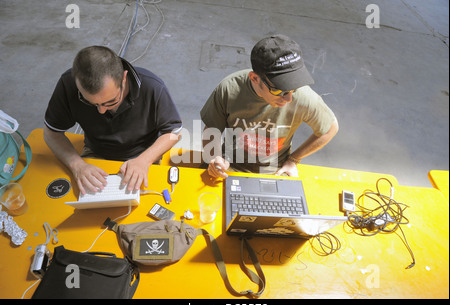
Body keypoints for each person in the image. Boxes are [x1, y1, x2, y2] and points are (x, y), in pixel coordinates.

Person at [44, 46, 182, 194]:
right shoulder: (68, 84)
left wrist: (145, 160)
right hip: (96, 153)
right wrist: (77, 165)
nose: (101, 111)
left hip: (143, 154)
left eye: (110, 102)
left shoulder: (152, 87)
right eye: (90, 102)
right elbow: (52, 133)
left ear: (124, 78)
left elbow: (174, 132)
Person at [201, 34, 338, 178]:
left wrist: (294, 160)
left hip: (275, 171)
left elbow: (330, 128)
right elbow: (211, 129)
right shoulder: (230, 89)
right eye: (279, 90)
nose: (289, 98)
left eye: (293, 88)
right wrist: (214, 158)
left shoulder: (304, 96)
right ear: (254, 78)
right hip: (229, 165)